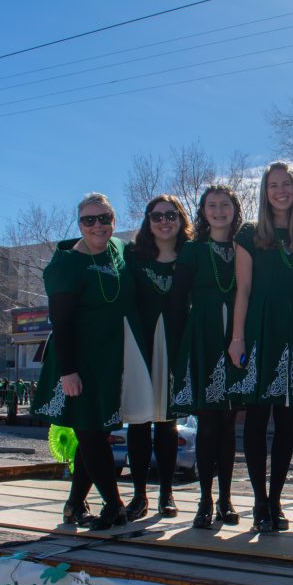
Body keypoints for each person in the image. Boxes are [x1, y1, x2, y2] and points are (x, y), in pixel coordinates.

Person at [227, 162, 293, 533]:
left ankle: (276, 501)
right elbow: (244, 291)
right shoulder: (251, 234)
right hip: (259, 329)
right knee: (256, 417)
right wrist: (237, 338)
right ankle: (258, 501)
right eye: (273, 186)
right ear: (265, 192)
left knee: (287, 421)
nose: (280, 191)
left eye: (286, 184)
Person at [30, 193, 133, 531]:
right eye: (89, 220)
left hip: (108, 358)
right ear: (79, 225)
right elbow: (61, 322)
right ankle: (114, 505)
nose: (98, 225)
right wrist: (68, 371)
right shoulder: (66, 264)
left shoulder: (117, 250)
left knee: (98, 433)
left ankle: (74, 506)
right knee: (89, 432)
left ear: (113, 221)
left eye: (104, 218)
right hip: (78, 359)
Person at [170, 185, 244, 529]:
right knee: (208, 425)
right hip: (203, 339)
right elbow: (177, 300)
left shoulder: (244, 246)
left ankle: (226, 499)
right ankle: (204, 499)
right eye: (211, 205)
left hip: (238, 338)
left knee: (229, 426)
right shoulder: (192, 251)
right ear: (203, 211)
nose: (218, 210)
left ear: (234, 209)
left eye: (224, 204)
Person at [122, 194, 192, 521]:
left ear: (180, 220)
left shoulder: (191, 256)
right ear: (148, 222)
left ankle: (166, 494)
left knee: (167, 424)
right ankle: (138, 496)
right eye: (156, 216)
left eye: (171, 215)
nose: (164, 221)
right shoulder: (133, 257)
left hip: (177, 346)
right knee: (138, 422)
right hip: (141, 345)